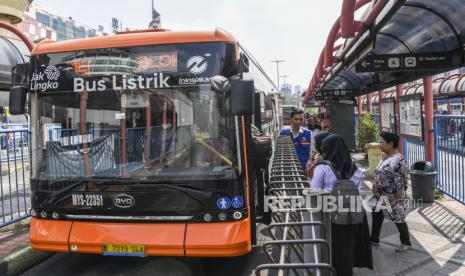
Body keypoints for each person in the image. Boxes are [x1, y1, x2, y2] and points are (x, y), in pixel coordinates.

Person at [310, 134, 373, 275]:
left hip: (329, 216)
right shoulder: (355, 170)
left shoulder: (322, 169)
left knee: (331, 248)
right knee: (347, 249)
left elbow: (314, 193)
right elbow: (355, 192)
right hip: (352, 216)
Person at [370, 132, 411, 252]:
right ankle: (374, 239)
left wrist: (399, 196)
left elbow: (401, 179)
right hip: (380, 195)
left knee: (398, 218)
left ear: (390, 144)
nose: (379, 144)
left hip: (391, 195)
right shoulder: (385, 156)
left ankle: (405, 242)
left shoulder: (398, 160)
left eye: (382, 142)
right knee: (376, 215)